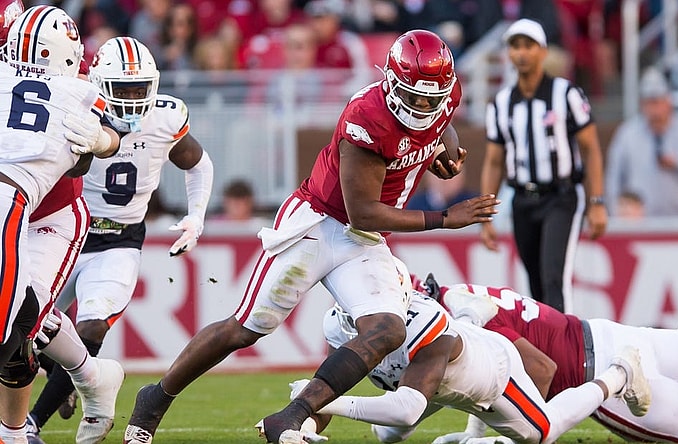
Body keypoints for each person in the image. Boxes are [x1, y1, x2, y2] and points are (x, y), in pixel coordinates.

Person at [123, 29, 499, 444]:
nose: (424, 106)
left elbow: (440, 120)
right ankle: (154, 399)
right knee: (247, 328)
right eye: (415, 97)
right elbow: (364, 212)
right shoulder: (366, 116)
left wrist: (444, 151)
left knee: (388, 330)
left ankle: (293, 414)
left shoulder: (443, 94)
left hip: (363, 242)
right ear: (392, 83)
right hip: (319, 223)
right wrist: (445, 217)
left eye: (433, 98)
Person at [26, 35, 214, 443]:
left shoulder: (166, 117)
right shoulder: (72, 105)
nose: (131, 99)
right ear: (95, 81)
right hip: (60, 231)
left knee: (91, 328)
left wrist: (196, 217)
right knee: (26, 330)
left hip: (119, 241)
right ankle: (62, 376)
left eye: (138, 88)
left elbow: (198, 163)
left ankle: (32, 424)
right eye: (121, 88)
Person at [281, 264, 651, 444]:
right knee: (386, 436)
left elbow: (407, 407)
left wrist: (324, 406)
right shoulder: (338, 325)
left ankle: (619, 373)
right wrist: (303, 426)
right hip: (435, 383)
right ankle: (470, 314)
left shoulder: (422, 321)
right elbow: (327, 385)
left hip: (491, 374)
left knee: (541, 434)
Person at [421, 276, 678, 443]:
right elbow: (490, 371)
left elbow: (539, 371)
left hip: (608, 379)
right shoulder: (464, 295)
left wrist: (511, 430)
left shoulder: (458, 322)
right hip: (613, 335)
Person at [0, 3, 121, 443]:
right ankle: (92, 377)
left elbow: (100, 144)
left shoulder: (74, 87)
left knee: (20, 320)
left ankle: (14, 432)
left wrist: (101, 140)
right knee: (29, 313)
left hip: (49, 212)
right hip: (13, 207)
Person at [480, 18, 607, 314]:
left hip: (559, 196)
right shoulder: (500, 103)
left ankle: (566, 353)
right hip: (522, 199)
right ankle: (546, 350)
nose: (521, 53)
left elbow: (591, 149)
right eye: (515, 46)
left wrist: (597, 201)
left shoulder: (566, 94)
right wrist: (486, 216)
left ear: (543, 51)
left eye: (528, 46)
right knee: (534, 284)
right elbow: (494, 160)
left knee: (554, 279)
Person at [605, 66, 678, 217]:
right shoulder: (627, 133)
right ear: (642, 105)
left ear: (669, 102)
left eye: (658, 102)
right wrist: (615, 213)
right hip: (640, 221)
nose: (655, 110)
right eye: (649, 103)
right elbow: (613, 178)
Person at [407, 170, 477, 212]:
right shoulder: (413, 206)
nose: (445, 180)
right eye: (438, 173)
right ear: (427, 177)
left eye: (451, 173)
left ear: (462, 178)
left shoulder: (474, 205)